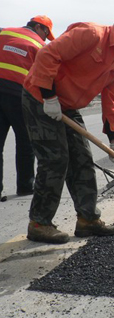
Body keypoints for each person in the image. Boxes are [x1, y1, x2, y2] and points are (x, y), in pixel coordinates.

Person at [22, 11, 114, 244]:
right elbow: (47, 54)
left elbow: (112, 101)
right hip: (40, 98)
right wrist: (48, 96)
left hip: (67, 106)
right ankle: (39, 223)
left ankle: (87, 220)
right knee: (56, 159)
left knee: (82, 159)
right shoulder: (91, 35)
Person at [0, 16, 55, 202]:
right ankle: (25, 185)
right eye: (46, 34)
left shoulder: (4, 32)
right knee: (25, 142)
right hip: (18, 96)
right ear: (39, 28)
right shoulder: (41, 47)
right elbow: (43, 79)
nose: (46, 39)